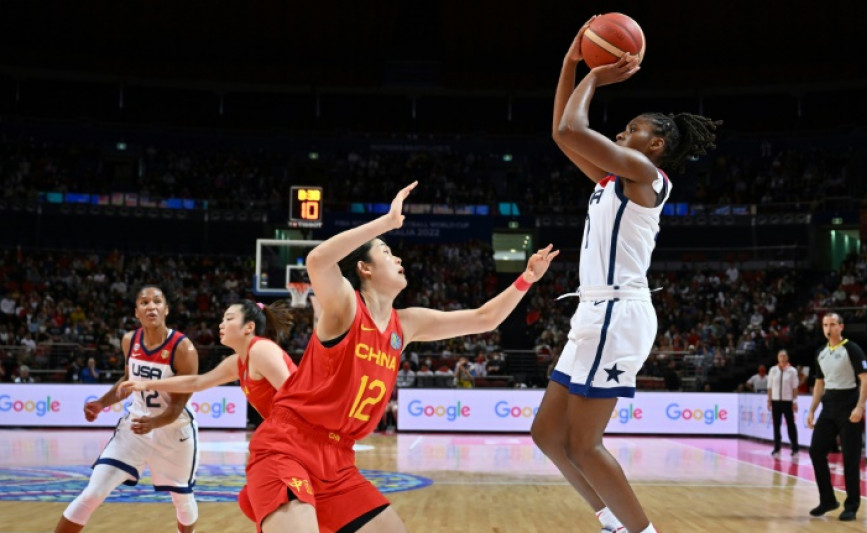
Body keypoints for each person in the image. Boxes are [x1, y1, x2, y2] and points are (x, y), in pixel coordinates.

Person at [243, 181, 558, 533]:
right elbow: (318, 260)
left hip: (338, 459)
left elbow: (484, 318)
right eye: (386, 252)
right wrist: (386, 223)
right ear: (364, 268)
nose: (398, 258)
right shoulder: (345, 306)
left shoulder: (406, 324)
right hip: (288, 446)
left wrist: (526, 279)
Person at [531, 17, 720, 533]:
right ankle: (612, 522)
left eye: (632, 128)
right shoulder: (615, 177)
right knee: (548, 434)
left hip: (618, 309)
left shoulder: (648, 176)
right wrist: (572, 63)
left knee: (584, 444)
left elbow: (574, 128)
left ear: (656, 145)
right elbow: (559, 132)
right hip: (596, 309)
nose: (621, 132)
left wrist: (596, 77)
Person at [118, 299, 298, 525]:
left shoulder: (262, 349)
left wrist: (281, 442)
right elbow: (197, 382)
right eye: (223, 319)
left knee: (267, 499)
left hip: (299, 441)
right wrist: (146, 384)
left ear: (248, 328)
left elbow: (297, 397)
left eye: (229, 319)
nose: (221, 324)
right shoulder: (239, 361)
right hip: (288, 441)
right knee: (255, 501)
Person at [55, 285, 200, 533]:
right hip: (135, 428)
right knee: (93, 493)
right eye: (144, 302)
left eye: (157, 301)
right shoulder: (129, 340)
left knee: (182, 499)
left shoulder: (183, 350)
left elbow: (177, 407)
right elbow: (127, 379)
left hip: (174, 433)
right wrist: (101, 403)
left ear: (166, 309)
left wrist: (154, 423)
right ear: (136, 312)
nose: (151, 306)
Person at [806, 312, 867, 522]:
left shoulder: (851, 348)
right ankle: (828, 500)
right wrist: (811, 410)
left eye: (832, 324)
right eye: (825, 324)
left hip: (849, 403)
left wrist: (860, 407)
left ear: (841, 327)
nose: (828, 328)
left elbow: (866, 380)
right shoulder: (820, 353)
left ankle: (851, 505)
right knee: (816, 451)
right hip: (829, 405)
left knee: (850, 458)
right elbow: (819, 384)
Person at [767, 349, 800, 458]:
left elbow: (795, 388)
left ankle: (795, 448)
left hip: (787, 401)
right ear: (777, 357)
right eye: (780, 356)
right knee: (776, 425)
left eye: (784, 356)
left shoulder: (792, 371)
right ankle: (777, 448)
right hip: (776, 401)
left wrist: (794, 401)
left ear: (787, 358)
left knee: (791, 424)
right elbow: (770, 387)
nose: (782, 358)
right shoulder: (773, 370)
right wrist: (769, 400)